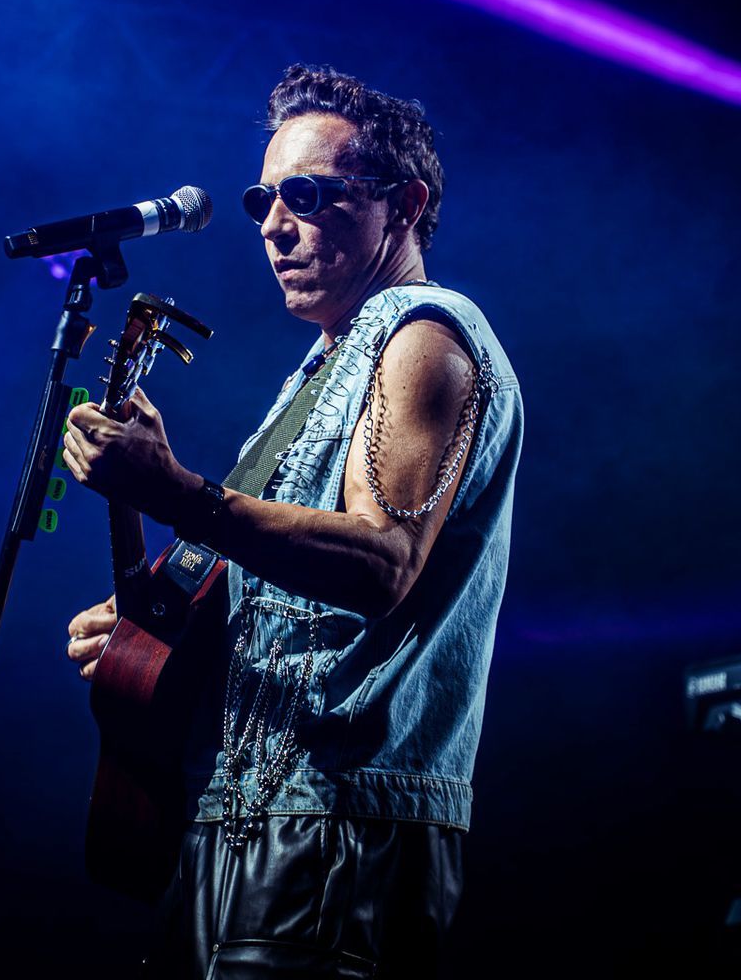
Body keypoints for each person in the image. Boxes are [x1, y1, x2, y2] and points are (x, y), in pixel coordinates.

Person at [62, 64, 523, 974]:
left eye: (308, 196)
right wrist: (159, 632)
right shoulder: (323, 368)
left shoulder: (424, 332)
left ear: (404, 203)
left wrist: (180, 493)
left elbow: (383, 563)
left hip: (333, 824)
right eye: (262, 199)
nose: (274, 224)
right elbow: (286, 592)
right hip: (240, 817)